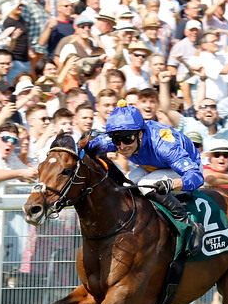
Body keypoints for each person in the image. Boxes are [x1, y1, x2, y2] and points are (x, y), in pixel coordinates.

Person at [88, 101, 205, 253]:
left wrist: (172, 184)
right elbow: (85, 147)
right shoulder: (121, 137)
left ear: (140, 134)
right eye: (117, 141)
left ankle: (188, 225)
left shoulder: (164, 145)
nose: (122, 146)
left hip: (188, 166)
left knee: (144, 185)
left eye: (128, 139)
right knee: (124, 185)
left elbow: (196, 176)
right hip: (154, 166)